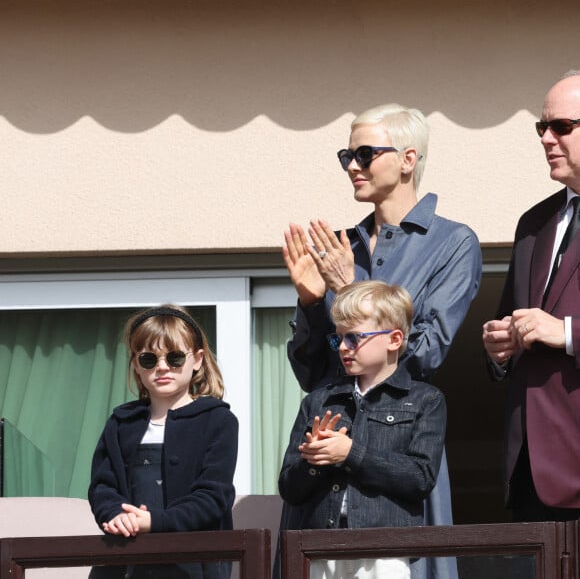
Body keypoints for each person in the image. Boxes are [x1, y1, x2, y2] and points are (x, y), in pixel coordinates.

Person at [282, 103, 481, 578]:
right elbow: (311, 373)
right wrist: (312, 304)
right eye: (346, 156)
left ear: (408, 159)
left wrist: (349, 290)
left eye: (365, 153)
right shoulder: (339, 245)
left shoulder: (453, 243)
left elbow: (424, 355)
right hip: (325, 466)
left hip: (397, 457)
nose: (353, 166)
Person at [279, 280, 446, 579]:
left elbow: (420, 477)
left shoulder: (424, 400)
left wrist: (349, 453)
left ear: (394, 339)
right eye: (338, 339)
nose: (343, 347)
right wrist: (314, 463)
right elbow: (289, 488)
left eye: (354, 338)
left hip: (385, 551)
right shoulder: (318, 401)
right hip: (321, 548)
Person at [482, 70, 580, 522]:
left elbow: (556, 330)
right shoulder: (533, 223)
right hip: (531, 475)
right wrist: (500, 347)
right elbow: (512, 322)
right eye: (541, 127)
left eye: (561, 127)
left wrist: (566, 332)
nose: (546, 138)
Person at [88, 304, 238, 579]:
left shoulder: (217, 421)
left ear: (197, 360)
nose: (162, 367)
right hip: (124, 564)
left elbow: (213, 496)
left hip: (194, 566)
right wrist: (115, 515)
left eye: (175, 357)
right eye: (149, 359)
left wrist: (155, 522)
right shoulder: (121, 423)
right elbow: (102, 486)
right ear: (136, 363)